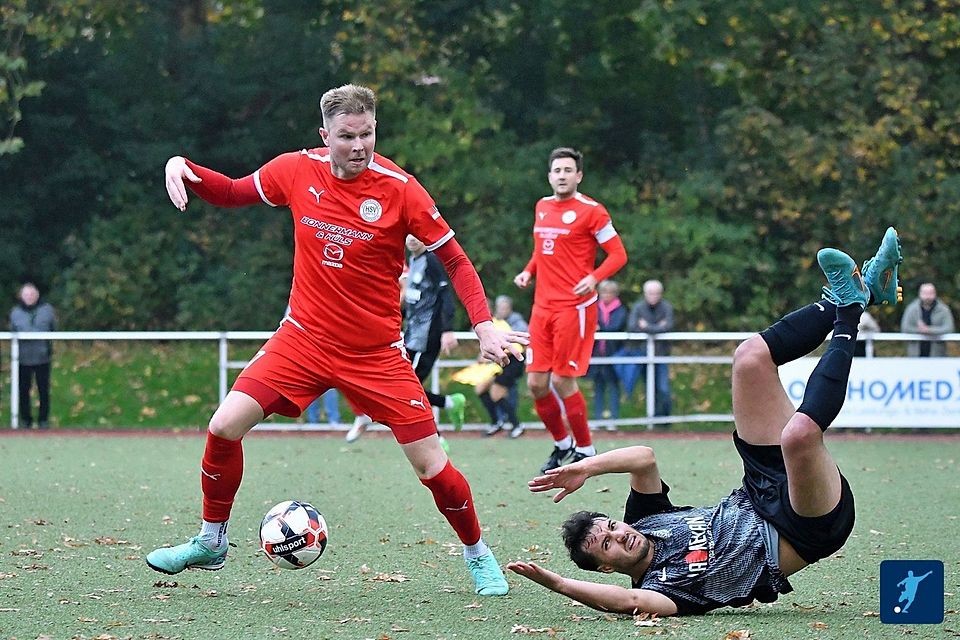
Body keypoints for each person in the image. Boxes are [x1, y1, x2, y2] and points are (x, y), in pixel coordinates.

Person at [146, 84, 526, 597]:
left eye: (367, 134)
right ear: (325, 136)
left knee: (433, 467)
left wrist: (483, 324)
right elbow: (233, 191)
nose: (359, 146)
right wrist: (182, 165)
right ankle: (211, 542)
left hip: (376, 354)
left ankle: (478, 553)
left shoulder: (401, 189)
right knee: (223, 426)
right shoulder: (295, 169)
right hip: (302, 339)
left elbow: (454, 258)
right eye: (347, 136)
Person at [506, 228, 903, 616]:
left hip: (759, 487)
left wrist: (585, 467)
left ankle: (854, 295)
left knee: (749, 358)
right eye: (607, 544)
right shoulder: (660, 587)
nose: (619, 534)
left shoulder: (644, 520)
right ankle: (850, 312)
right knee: (798, 435)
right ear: (607, 568)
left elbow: (643, 457)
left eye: (609, 525)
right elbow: (631, 603)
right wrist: (558, 584)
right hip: (802, 529)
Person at [514, 147, 627, 473]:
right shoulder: (542, 206)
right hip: (542, 308)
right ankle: (562, 444)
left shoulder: (592, 211)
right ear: (550, 175)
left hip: (574, 309)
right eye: (557, 170)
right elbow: (543, 248)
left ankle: (585, 449)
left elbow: (618, 255)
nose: (561, 175)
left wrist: (594, 278)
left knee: (563, 381)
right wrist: (529, 271)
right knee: (536, 384)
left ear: (578, 175)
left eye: (568, 170)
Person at [345, 234, 467, 449]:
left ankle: (437, 437)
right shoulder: (413, 260)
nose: (411, 239)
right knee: (402, 384)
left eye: (416, 235)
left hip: (428, 336)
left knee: (411, 387)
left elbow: (445, 294)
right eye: (408, 235)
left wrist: (447, 330)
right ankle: (449, 403)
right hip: (412, 335)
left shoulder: (431, 260)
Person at [9, 283, 56, 429]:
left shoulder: (47, 310)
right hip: (22, 359)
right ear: (21, 296)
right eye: (26, 295)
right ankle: (25, 421)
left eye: (32, 295)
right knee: (23, 390)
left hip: (42, 357)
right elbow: (12, 331)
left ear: (37, 295)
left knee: (43, 390)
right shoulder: (15, 313)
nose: (29, 297)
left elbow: (53, 329)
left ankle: (43, 420)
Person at [479, 295, 527, 438]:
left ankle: (517, 425)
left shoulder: (513, 323)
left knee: (496, 393)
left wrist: (497, 353)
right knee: (481, 388)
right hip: (497, 363)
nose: (501, 310)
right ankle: (497, 422)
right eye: (499, 308)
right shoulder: (492, 322)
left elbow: (517, 346)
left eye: (504, 308)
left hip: (512, 363)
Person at [625, 279, 674, 418]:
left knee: (663, 388)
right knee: (649, 388)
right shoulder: (638, 307)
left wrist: (646, 327)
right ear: (645, 294)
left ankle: (665, 420)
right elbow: (632, 327)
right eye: (651, 293)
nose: (654, 296)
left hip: (662, 354)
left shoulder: (667, 307)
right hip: (643, 354)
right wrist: (658, 327)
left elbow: (668, 326)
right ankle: (653, 420)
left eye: (657, 293)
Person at [588, 280, 627, 423]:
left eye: (610, 292)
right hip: (597, 353)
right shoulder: (595, 308)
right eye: (604, 292)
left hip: (614, 353)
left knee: (614, 386)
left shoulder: (621, 310)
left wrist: (599, 327)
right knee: (598, 387)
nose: (606, 295)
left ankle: (613, 420)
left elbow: (615, 327)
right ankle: (598, 419)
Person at [900, 282, 955, 357]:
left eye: (930, 293)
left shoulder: (944, 310)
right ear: (920, 293)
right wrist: (919, 330)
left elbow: (949, 328)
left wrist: (929, 330)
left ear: (935, 293)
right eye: (925, 293)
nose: (928, 296)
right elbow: (905, 328)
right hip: (915, 355)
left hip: (937, 355)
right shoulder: (911, 309)